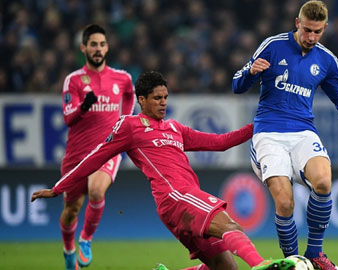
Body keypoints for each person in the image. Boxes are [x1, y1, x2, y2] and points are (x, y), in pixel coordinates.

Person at [31, 71, 295, 270]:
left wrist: (258, 125)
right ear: (141, 100)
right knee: (232, 225)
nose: (163, 102)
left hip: (183, 201)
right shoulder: (129, 126)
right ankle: (262, 265)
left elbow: (220, 143)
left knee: (226, 268)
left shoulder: (175, 128)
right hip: (176, 197)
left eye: (165, 97)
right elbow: (95, 158)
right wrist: (59, 188)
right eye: (157, 98)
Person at [231, 1, 338, 270]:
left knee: (324, 181)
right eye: (307, 31)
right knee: (285, 200)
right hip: (268, 132)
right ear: (297, 23)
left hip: (303, 131)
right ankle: (293, 260)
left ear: (324, 28)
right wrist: (250, 73)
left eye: (317, 32)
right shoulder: (272, 45)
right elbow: (237, 84)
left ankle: (314, 253)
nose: (311, 37)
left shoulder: (326, 60)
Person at [58, 24, 135, 270]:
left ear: (107, 47)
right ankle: (69, 250)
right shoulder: (73, 80)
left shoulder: (122, 79)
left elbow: (130, 95)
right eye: (93, 44)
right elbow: (68, 118)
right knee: (71, 210)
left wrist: (124, 122)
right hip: (77, 155)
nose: (98, 49)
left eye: (102, 44)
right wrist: (83, 106)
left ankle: (86, 240)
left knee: (97, 191)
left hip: (107, 150)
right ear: (83, 48)